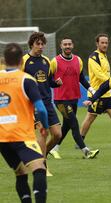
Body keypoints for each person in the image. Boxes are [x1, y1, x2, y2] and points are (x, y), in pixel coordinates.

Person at [0, 43, 48, 203]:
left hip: (2, 139)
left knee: (20, 173)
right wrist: (44, 127)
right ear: (22, 60)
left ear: (4, 60)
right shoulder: (26, 79)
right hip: (22, 136)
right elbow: (41, 109)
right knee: (39, 168)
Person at [48, 37, 99, 159]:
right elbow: (48, 80)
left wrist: (91, 89)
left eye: (69, 44)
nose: (67, 46)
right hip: (61, 100)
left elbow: (81, 78)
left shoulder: (78, 60)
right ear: (61, 46)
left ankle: (54, 148)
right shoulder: (55, 61)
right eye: (65, 44)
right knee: (74, 123)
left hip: (74, 98)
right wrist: (55, 83)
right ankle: (86, 151)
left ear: (73, 45)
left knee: (67, 125)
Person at [21, 32, 62, 176]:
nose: (41, 46)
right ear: (31, 44)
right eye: (38, 44)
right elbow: (18, 81)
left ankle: (40, 155)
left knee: (57, 135)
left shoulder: (46, 61)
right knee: (43, 134)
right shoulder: (24, 61)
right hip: (33, 104)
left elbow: (49, 81)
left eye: (42, 44)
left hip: (47, 103)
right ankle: (43, 166)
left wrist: (56, 84)